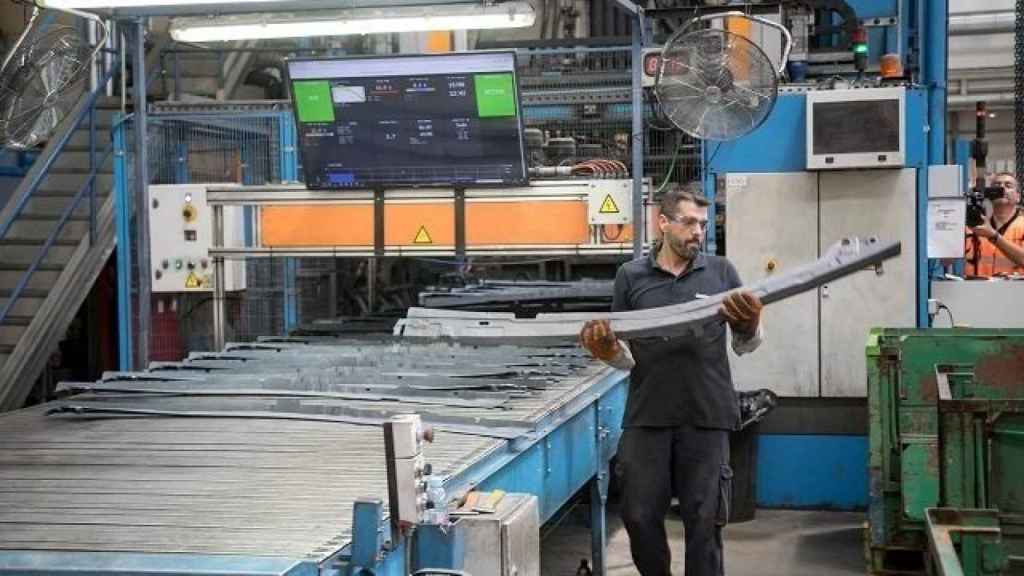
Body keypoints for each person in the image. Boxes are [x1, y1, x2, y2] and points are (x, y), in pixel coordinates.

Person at [579, 186, 763, 576]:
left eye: (703, 224)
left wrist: (749, 324)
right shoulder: (631, 277)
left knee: (705, 520)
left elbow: (746, 346)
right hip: (649, 414)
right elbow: (624, 356)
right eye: (690, 222)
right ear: (663, 223)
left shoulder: (721, 272)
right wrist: (606, 350)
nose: (698, 232)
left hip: (707, 413)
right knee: (639, 514)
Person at [965, 172, 1024, 277]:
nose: (1002, 188)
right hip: (978, 290)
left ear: (1018, 197)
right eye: (997, 186)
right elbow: (946, 261)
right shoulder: (975, 225)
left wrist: (994, 236)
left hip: (1016, 291)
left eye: (1008, 186)